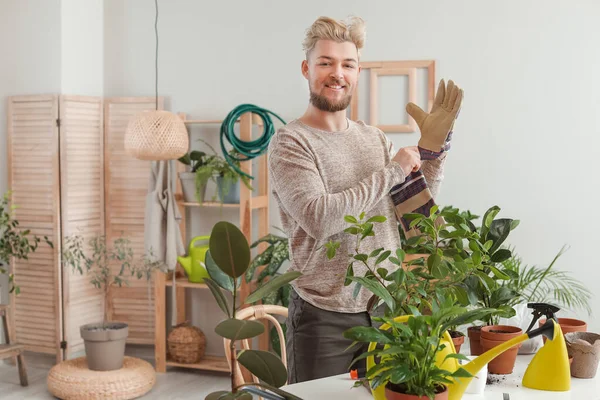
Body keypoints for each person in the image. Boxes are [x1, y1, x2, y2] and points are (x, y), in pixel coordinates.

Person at [267, 15, 462, 384]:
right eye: (325, 63)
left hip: (386, 307)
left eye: (347, 64)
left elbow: (415, 209)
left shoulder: (374, 138)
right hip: (324, 317)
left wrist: (433, 154)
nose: (336, 73)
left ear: (358, 72)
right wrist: (391, 171)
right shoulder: (291, 143)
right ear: (307, 69)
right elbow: (320, 218)